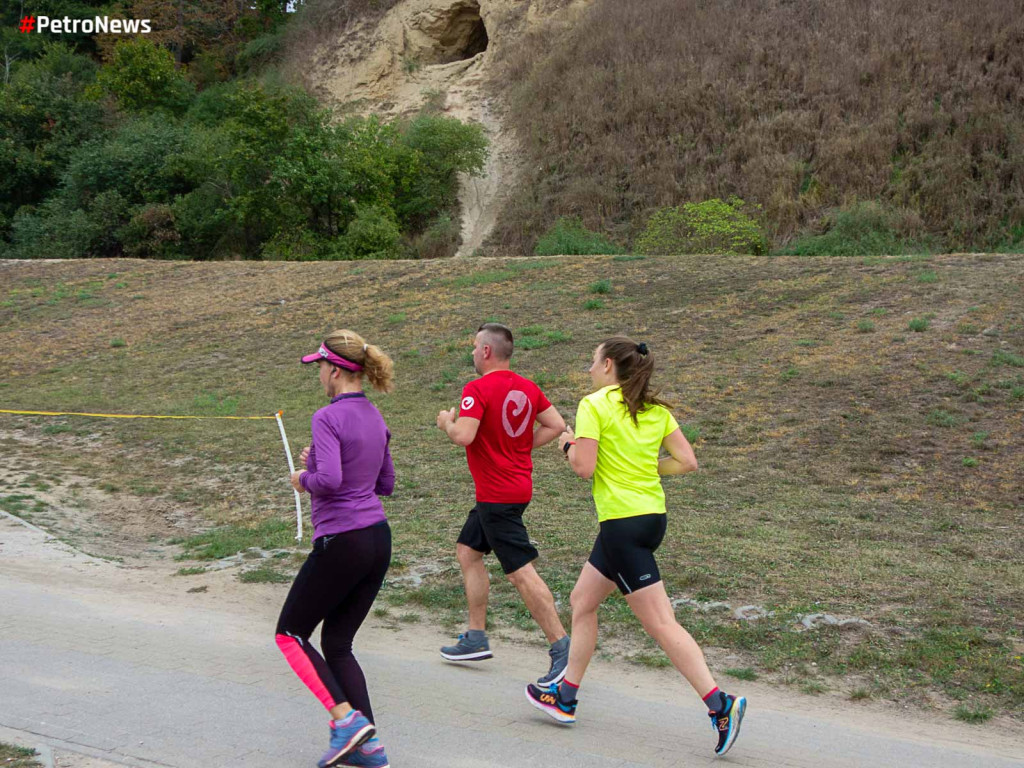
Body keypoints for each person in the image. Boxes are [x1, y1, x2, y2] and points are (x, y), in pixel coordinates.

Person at [524, 337, 747, 757]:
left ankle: (721, 706)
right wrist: (644, 467)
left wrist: (568, 444)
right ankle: (565, 696)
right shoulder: (657, 411)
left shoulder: (594, 404)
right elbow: (687, 461)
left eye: (592, 360)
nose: (589, 368)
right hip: (649, 520)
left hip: (622, 525)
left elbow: (583, 467)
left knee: (661, 624)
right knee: (582, 601)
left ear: (608, 365)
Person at [276, 330, 396, 768]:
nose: (319, 376)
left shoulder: (327, 417)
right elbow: (385, 483)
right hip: (377, 539)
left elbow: (327, 482)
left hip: (342, 540)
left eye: (320, 368)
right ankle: (369, 747)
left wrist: (302, 477)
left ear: (335, 369)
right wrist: (324, 464)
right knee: (338, 643)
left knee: (289, 634)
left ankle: (345, 721)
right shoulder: (375, 417)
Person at [436, 322, 572, 686]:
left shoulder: (476, 388)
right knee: (467, 551)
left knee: (520, 572)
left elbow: (464, 435)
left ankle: (563, 650)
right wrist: (520, 446)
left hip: (497, 497)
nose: (471, 353)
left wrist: (447, 423)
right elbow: (557, 424)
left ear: (485, 351)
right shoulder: (528, 387)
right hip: (510, 490)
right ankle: (476, 638)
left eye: (474, 347)